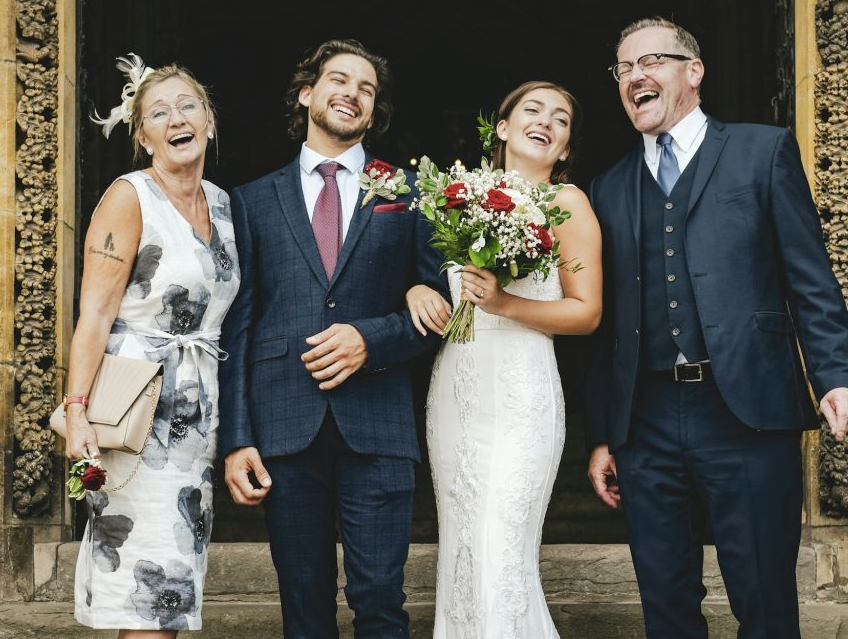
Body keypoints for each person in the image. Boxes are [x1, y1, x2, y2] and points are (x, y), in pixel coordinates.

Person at [584, 17, 848, 638]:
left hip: (747, 409)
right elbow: (607, 328)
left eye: (651, 61)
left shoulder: (761, 151)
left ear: (694, 71)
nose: (636, 77)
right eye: (624, 68)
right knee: (665, 602)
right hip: (647, 421)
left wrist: (837, 379)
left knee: (764, 600)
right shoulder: (608, 187)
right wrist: (607, 433)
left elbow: (810, 279)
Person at [218, 39, 448, 638]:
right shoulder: (252, 199)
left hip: (378, 424)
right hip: (283, 428)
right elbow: (239, 324)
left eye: (366, 89)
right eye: (339, 80)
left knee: (380, 603)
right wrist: (237, 438)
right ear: (307, 93)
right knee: (304, 609)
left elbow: (442, 308)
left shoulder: (407, 191)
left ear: (374, 112)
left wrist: (372, 339)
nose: (352, 94)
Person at [407, 81, 603, 637]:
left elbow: (586, 312)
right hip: (457, 391)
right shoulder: (457, 197)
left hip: (522, 393)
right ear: (502, 127)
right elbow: (426, 278)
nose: (546, 122)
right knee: (462, 553)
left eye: (561, 119)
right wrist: (413, 292)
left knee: (502, 554)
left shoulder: (567, 205)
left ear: (565, 148)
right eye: (533, 110)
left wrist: (504, 302)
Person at [65, 56, 239, 635]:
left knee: (174, 596)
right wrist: (77, 411)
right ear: (143, 136)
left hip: (196, 421)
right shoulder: (129, 197)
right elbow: (94, 315)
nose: (176, 119)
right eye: (158, 112)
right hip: (139, 415)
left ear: (209, 120)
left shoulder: (222, 204)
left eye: (188, 106)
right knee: (146, 593)